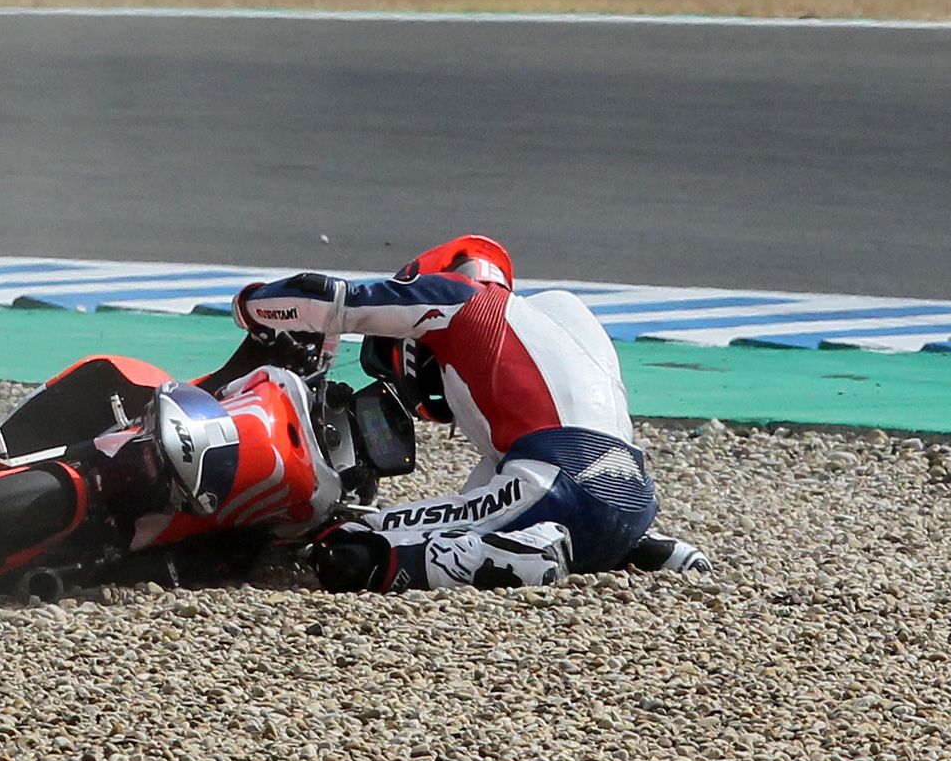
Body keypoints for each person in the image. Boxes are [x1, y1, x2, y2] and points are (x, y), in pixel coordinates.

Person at [229, 234, 712, 592]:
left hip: (554, 484)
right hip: (633, 498)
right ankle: (644, 551)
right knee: (478, 512)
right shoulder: (567, 320)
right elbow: (476, 499)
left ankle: (522, 558)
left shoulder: (458, 299)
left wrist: (250, 306)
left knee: (346, 550)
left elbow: (335, 302)